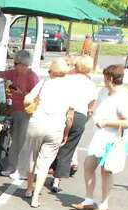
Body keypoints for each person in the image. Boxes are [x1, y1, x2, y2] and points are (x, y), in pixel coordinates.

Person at [74, 64, 128, 210]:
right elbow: (98, 105)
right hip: (101, 136)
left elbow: (127, 123)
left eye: (105, 78)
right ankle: (89, 200)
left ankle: (104, 204)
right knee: (88, 165)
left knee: (106, 171)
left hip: (114, 139)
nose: (104, 80)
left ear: (111, 79)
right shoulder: (105, 92)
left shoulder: (124, 97)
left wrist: (107, 122)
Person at [19, 58, 74, 208]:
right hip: (55, 127)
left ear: (52, 72)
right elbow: (70, 116)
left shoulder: (43, 83)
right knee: (45, 163)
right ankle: (36, 196)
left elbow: (27, 100)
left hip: (37, 123)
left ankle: (29, 188)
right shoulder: (70, 88)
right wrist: (66, 133)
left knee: (32, 157)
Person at [47, 54, 97, 193]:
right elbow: (91, 107)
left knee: (52, 143)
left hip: (62, 112)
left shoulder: (67, 79)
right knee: (68, 148)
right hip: (80, 115)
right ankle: (57, 180)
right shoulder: (91, 85)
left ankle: (43, 169)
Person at [0, 49, 38, 179]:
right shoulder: (14, 73)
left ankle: (20, 169)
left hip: (26, 112)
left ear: (23, 64)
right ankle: (12, 167)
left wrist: (21, 93)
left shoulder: (32, 77)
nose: (14, 66)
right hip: (15, 110)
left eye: (16, 63)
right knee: (15, 140)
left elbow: (36, 97)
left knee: (22, 141)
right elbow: (1, 74)